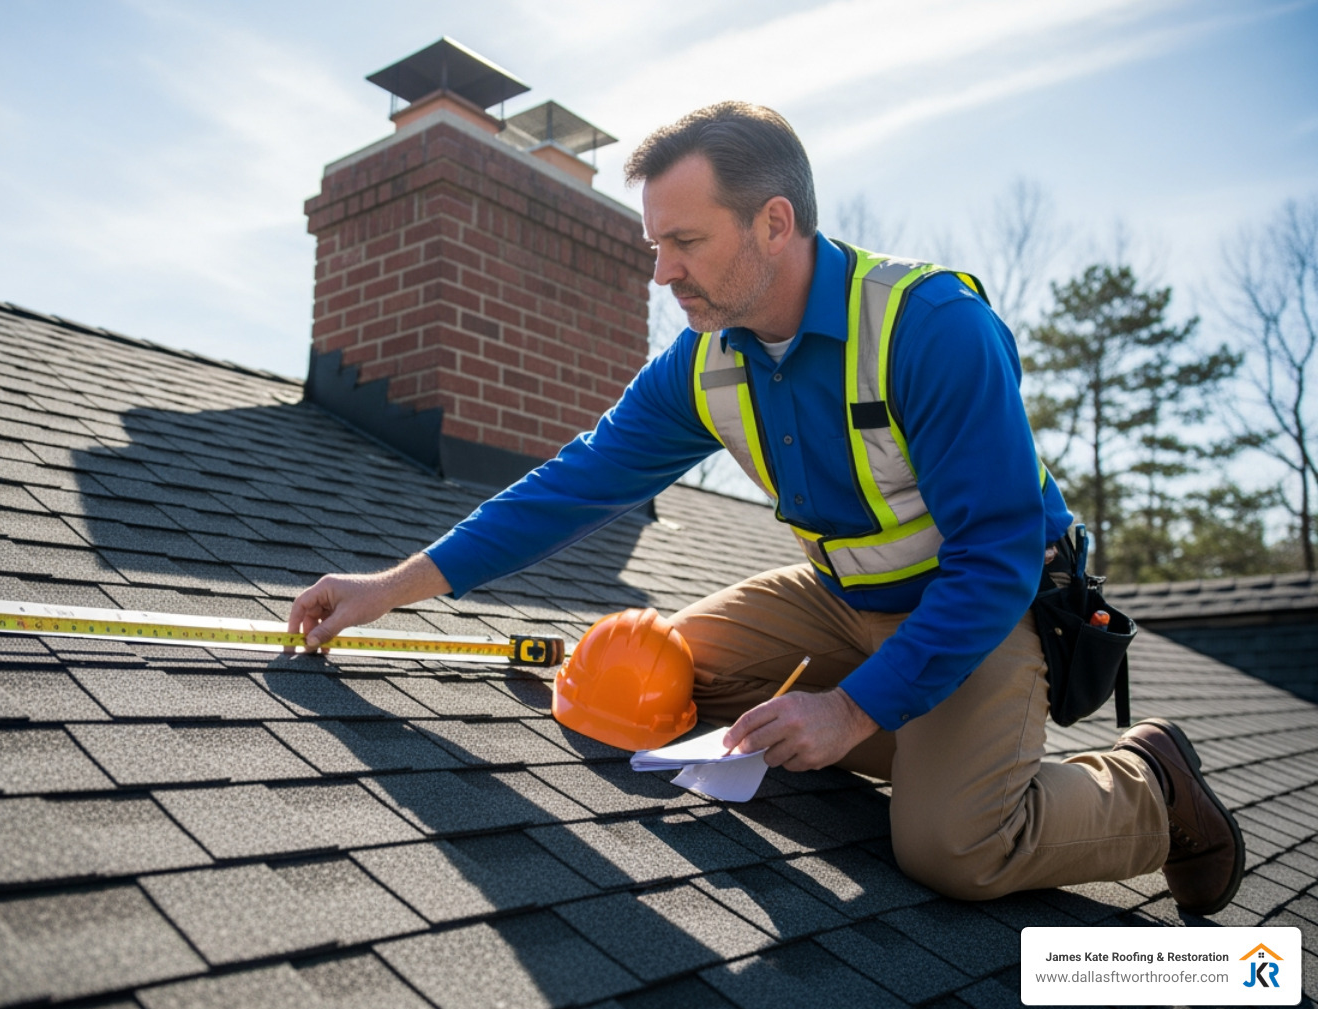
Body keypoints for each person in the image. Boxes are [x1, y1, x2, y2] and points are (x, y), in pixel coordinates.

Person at [288, 102, 1243, 913]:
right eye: (657, 244)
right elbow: (575, 482)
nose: (663, 273)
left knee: (953, 849)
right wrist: (393, 586)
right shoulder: (706, 364)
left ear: (775, 223)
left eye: (686, 242)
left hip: (975, 611)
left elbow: (994, 560)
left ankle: (1151, 787)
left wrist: (851, 711)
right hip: (838, 599)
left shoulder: (931, 327)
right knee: (641, 682)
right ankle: (929, 743)